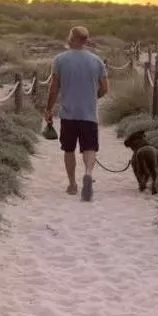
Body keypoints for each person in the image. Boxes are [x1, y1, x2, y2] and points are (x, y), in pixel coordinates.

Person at [43, 25, 108, 201]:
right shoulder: (96, 61)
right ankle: (88, 173)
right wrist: (92, 97)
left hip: (68, 114)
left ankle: (72, 184)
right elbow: (105, 88)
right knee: (90, 147)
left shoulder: (59, 60)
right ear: (86, 40)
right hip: (88, 113)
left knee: (69, 149)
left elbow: (54, 88)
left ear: (71, 38)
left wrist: (48, 109)